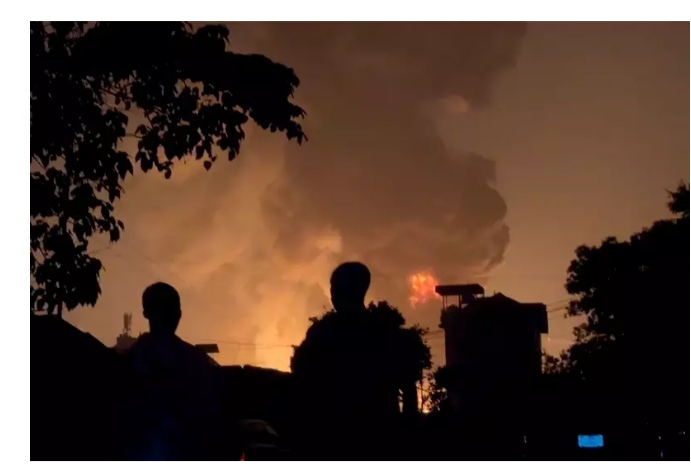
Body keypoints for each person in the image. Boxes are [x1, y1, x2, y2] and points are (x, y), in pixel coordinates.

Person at [292, 262, 402, 459]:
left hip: (341, 437)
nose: (332, 293)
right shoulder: (382, 332)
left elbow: (302, 377)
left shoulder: (323, 333)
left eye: (336, 286)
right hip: (368, 438)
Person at [124, 282, 221, 460]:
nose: (173, 315)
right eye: (166, 308)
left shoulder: (134, 357)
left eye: (172, 308)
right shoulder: (193, 359)